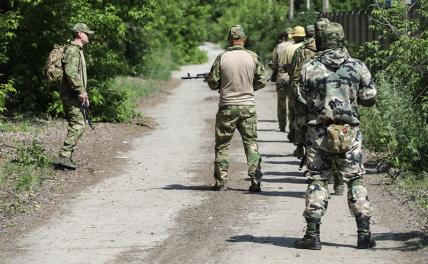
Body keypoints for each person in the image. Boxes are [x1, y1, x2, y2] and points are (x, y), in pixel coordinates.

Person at [294, 21, 377, 250]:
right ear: (341, 40)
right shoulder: (358, 66)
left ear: (320, 40)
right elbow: (369, 97)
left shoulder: (308, 68)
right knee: (355, 180)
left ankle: (312, 235)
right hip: (348, 133)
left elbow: (299, 104)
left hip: (317, 133)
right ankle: (364, 234)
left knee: (318, 180)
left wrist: (300, 133)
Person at [206, 25, 266, 192]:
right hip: (248, 107)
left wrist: (220, 84)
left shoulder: (222, 57)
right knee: (251, 144)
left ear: (229, 39)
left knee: (223, 145)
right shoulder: (253, 57)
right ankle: (255, 181)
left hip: (227, 107)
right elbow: (262, 80)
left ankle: (221, 182)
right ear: (244, 39)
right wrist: (249, 87)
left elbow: (213, 83)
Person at [53, 23, 94, 170]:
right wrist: (80, 91)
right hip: (71, 94)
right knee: (78, 125)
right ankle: (64, 157)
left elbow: (76, 74)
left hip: (74, 94)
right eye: (87, 33)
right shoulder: (72, 51)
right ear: (79, 34)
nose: (89, 36)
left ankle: (65, 157)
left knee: (78, 125)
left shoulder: (77, 50)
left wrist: (82, 92)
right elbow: (71, 73)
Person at [279, 26, 306, 138]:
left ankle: (292, 130)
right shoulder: (310, 48)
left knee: (292, 107)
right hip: (308, 81)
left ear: (293, 37)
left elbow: (282, 67)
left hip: (293, 82)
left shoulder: (289, 49)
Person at [271, 28, 294, 132]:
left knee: (281, 103)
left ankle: (282, 126)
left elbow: (274, 62)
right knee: (292, 103)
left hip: (281, 77)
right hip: (293, 77)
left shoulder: (279, 46)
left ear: (284, 36)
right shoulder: (297, 46)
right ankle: (292, 127)